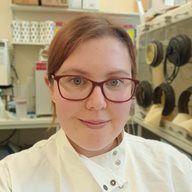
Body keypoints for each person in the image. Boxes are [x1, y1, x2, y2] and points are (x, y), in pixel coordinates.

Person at [0, 14, 191, 192]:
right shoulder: (11, 178)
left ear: (133, 89)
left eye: (115, 82)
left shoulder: (174, 168)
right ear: (51, 88)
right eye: (77, 81)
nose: (97, 103)